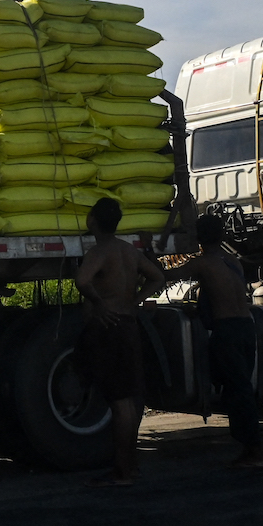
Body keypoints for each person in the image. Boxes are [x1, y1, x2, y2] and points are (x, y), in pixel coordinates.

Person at [73, 197, 166, 487]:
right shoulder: (129, 251)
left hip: (109, 328)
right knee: (129, 401)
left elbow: (82, 280)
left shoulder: (100, 251)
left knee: (119, 403)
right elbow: (157, 277)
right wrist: (134, 301)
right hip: (128, 323)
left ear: (92, 221)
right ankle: (130, 466)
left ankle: (122, 470)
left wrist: (100, 304)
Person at [165, 214, 263, 469]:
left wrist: (146, 252)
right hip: (246, 327)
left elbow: (166, 275)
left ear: (198, 238)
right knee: (242, 388)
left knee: (237, 391)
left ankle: (254, 451)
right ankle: (250, 446)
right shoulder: (232, 261)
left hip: (228, 331)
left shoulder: (204, 263)